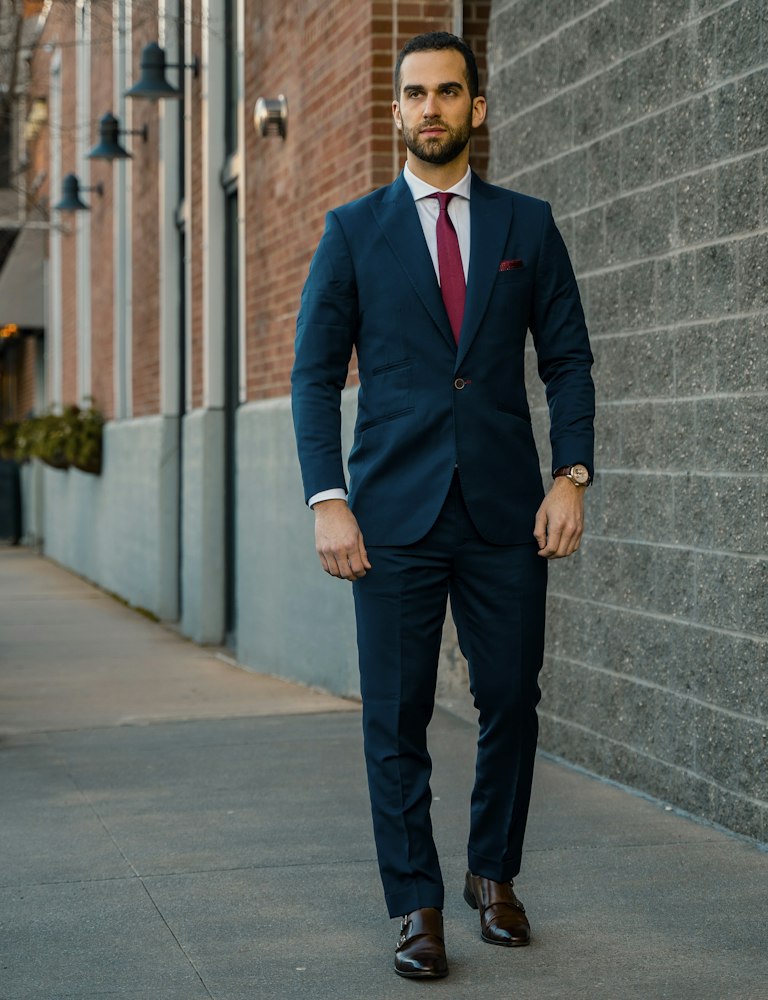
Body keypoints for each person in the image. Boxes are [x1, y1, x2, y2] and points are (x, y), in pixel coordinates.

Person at [291, 31, 595, 980]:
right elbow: (311, 377)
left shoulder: (527, 226)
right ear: (396, 112)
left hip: (507, 510)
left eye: (449, 92)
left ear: (478, 109)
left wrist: (570, 475)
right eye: (415, 93)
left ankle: (492, 875)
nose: (431, 108)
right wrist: (328, 498)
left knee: (511, 698)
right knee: (398, 714)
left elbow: (568, 360)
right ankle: (415, 903)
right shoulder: (353, 231)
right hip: (391, 515)